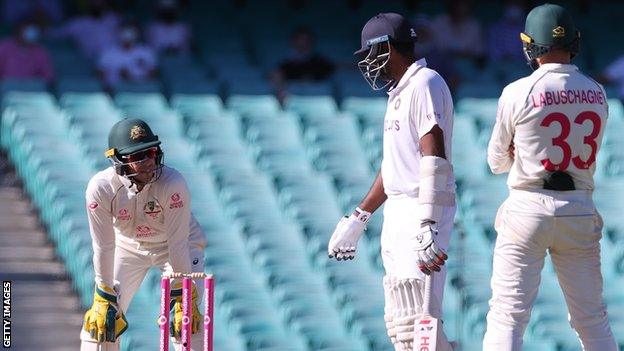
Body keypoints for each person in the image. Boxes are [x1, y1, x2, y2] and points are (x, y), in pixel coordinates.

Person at [483, 4, 617, 351]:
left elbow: (496, 161)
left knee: (507, 316)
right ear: (574, 41)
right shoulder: (597, 91)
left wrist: (519, 153)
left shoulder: (518, 91)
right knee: (591, 318)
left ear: (530, 45)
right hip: (579, 208)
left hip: (528, 206)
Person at [327, 13, 456, 351]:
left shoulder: (426, 82)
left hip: (420, 210)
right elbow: (393, 166)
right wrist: (359, 217)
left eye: (370, 54)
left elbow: (433, 155)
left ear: (386, 47)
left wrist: (428, 222)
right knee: (401, 325)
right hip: (398, 213)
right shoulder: (400, 92)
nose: (369, 64)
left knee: (422, 323)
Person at [80, 118, 207, 351]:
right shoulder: (101, 188)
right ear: (118, 159)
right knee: (100, 323)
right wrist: (103, 292)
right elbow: (104, 246)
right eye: (137, 156)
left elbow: (178, 243)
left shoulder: (173, 183)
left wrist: (182, 294)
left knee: (186, 322)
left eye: (150, 152)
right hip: (127, 246)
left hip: (175, 246)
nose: (148, 161)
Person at [97, 21, 157, 86]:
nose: (127, 33)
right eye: (124, 30)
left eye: (130, 30)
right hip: (115, 90)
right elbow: (100, 75)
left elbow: (153, 74)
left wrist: (132, 79)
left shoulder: (146, 51)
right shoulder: (108, 52)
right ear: (118, 33)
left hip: (142, 89)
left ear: (137, 33)